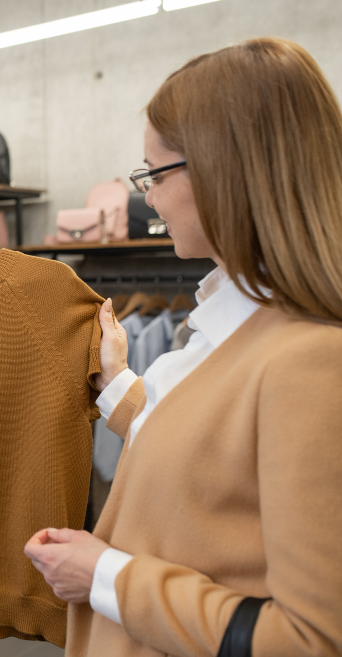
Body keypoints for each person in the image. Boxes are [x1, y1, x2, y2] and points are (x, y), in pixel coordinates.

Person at [24, 37, 342, 656]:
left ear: (224, 170)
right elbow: (219, 460)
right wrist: (114, 381)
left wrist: (106, 576)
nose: (149, 195)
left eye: (156, 173)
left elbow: (311, 640)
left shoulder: (308, 361)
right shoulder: (237, 328)